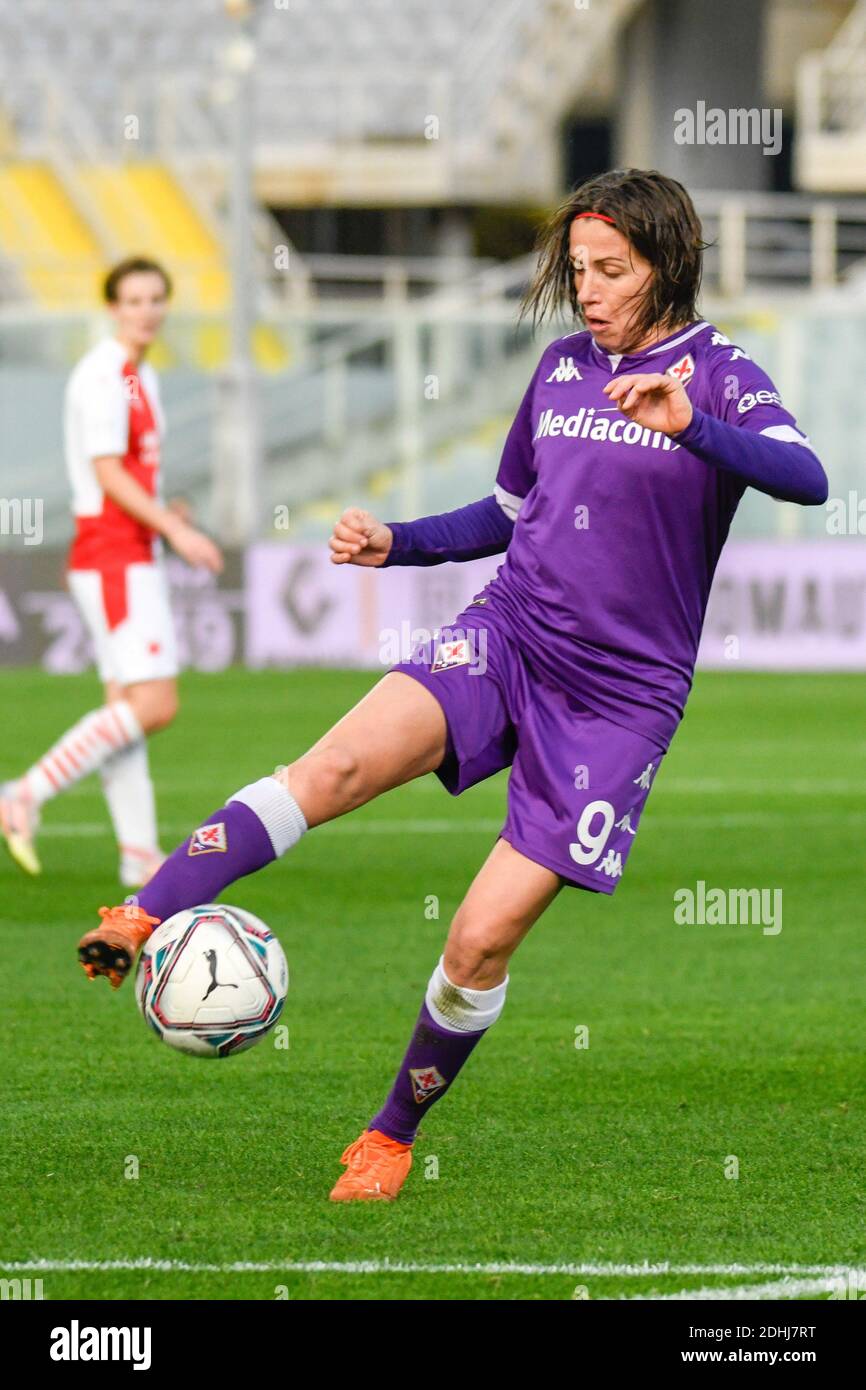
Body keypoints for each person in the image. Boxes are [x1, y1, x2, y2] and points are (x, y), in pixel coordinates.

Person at [75, 170, 828, 1202]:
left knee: (477, 940)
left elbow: (805, 475)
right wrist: (398, 545)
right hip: (510, 633)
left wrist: (688, 422)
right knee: (333, 764)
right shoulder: (562, 368)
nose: (589, 291)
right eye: (577, 270)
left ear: (667, 264)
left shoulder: (720, 372)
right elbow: (504, 515)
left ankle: (389, 1133)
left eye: (611, 270)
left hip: (618, 702)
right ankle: (143, 911)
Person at [0, 258, 223, 886]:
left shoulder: (139, 376)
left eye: (157, 298)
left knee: (125, 705)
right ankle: (25, 792)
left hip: (126, 552)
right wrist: (175, 529)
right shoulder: (102, 374)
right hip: (113, 557)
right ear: (112, 308)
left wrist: (166, 515)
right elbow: (106, 473)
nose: (147, 310)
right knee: (154, 703)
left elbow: (128, 473)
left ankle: (137, 853)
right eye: (133, 300)